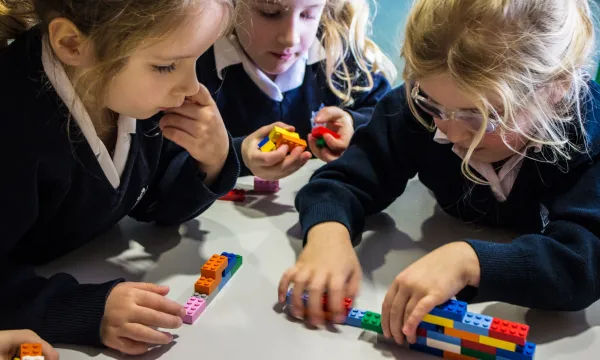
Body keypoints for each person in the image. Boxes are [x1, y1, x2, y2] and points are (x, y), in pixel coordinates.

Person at [279, 0, 600, 346]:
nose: (450, 132)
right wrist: (329, 233)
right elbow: (343, 180)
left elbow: (583, 262)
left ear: (556, 88)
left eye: (479, 118)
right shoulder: (418, 105)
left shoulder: (588, 136)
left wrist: (469, 260)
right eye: (433, 105)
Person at [0, 0, 238, 355]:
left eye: (196, 59)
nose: (190, 88)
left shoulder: (131, 93)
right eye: (166, 66)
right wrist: (80, 310)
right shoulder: (12, 126)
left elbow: (153, 198)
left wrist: (211, 161)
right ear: (72, 45)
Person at [196, 0, 396, 180]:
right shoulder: (197, 67)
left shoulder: (339, 58)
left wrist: (353, 123)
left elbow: (390, 116)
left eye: (308, 14)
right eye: (270, 12)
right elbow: (172, 159)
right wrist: (239, 155)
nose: (291, 38)